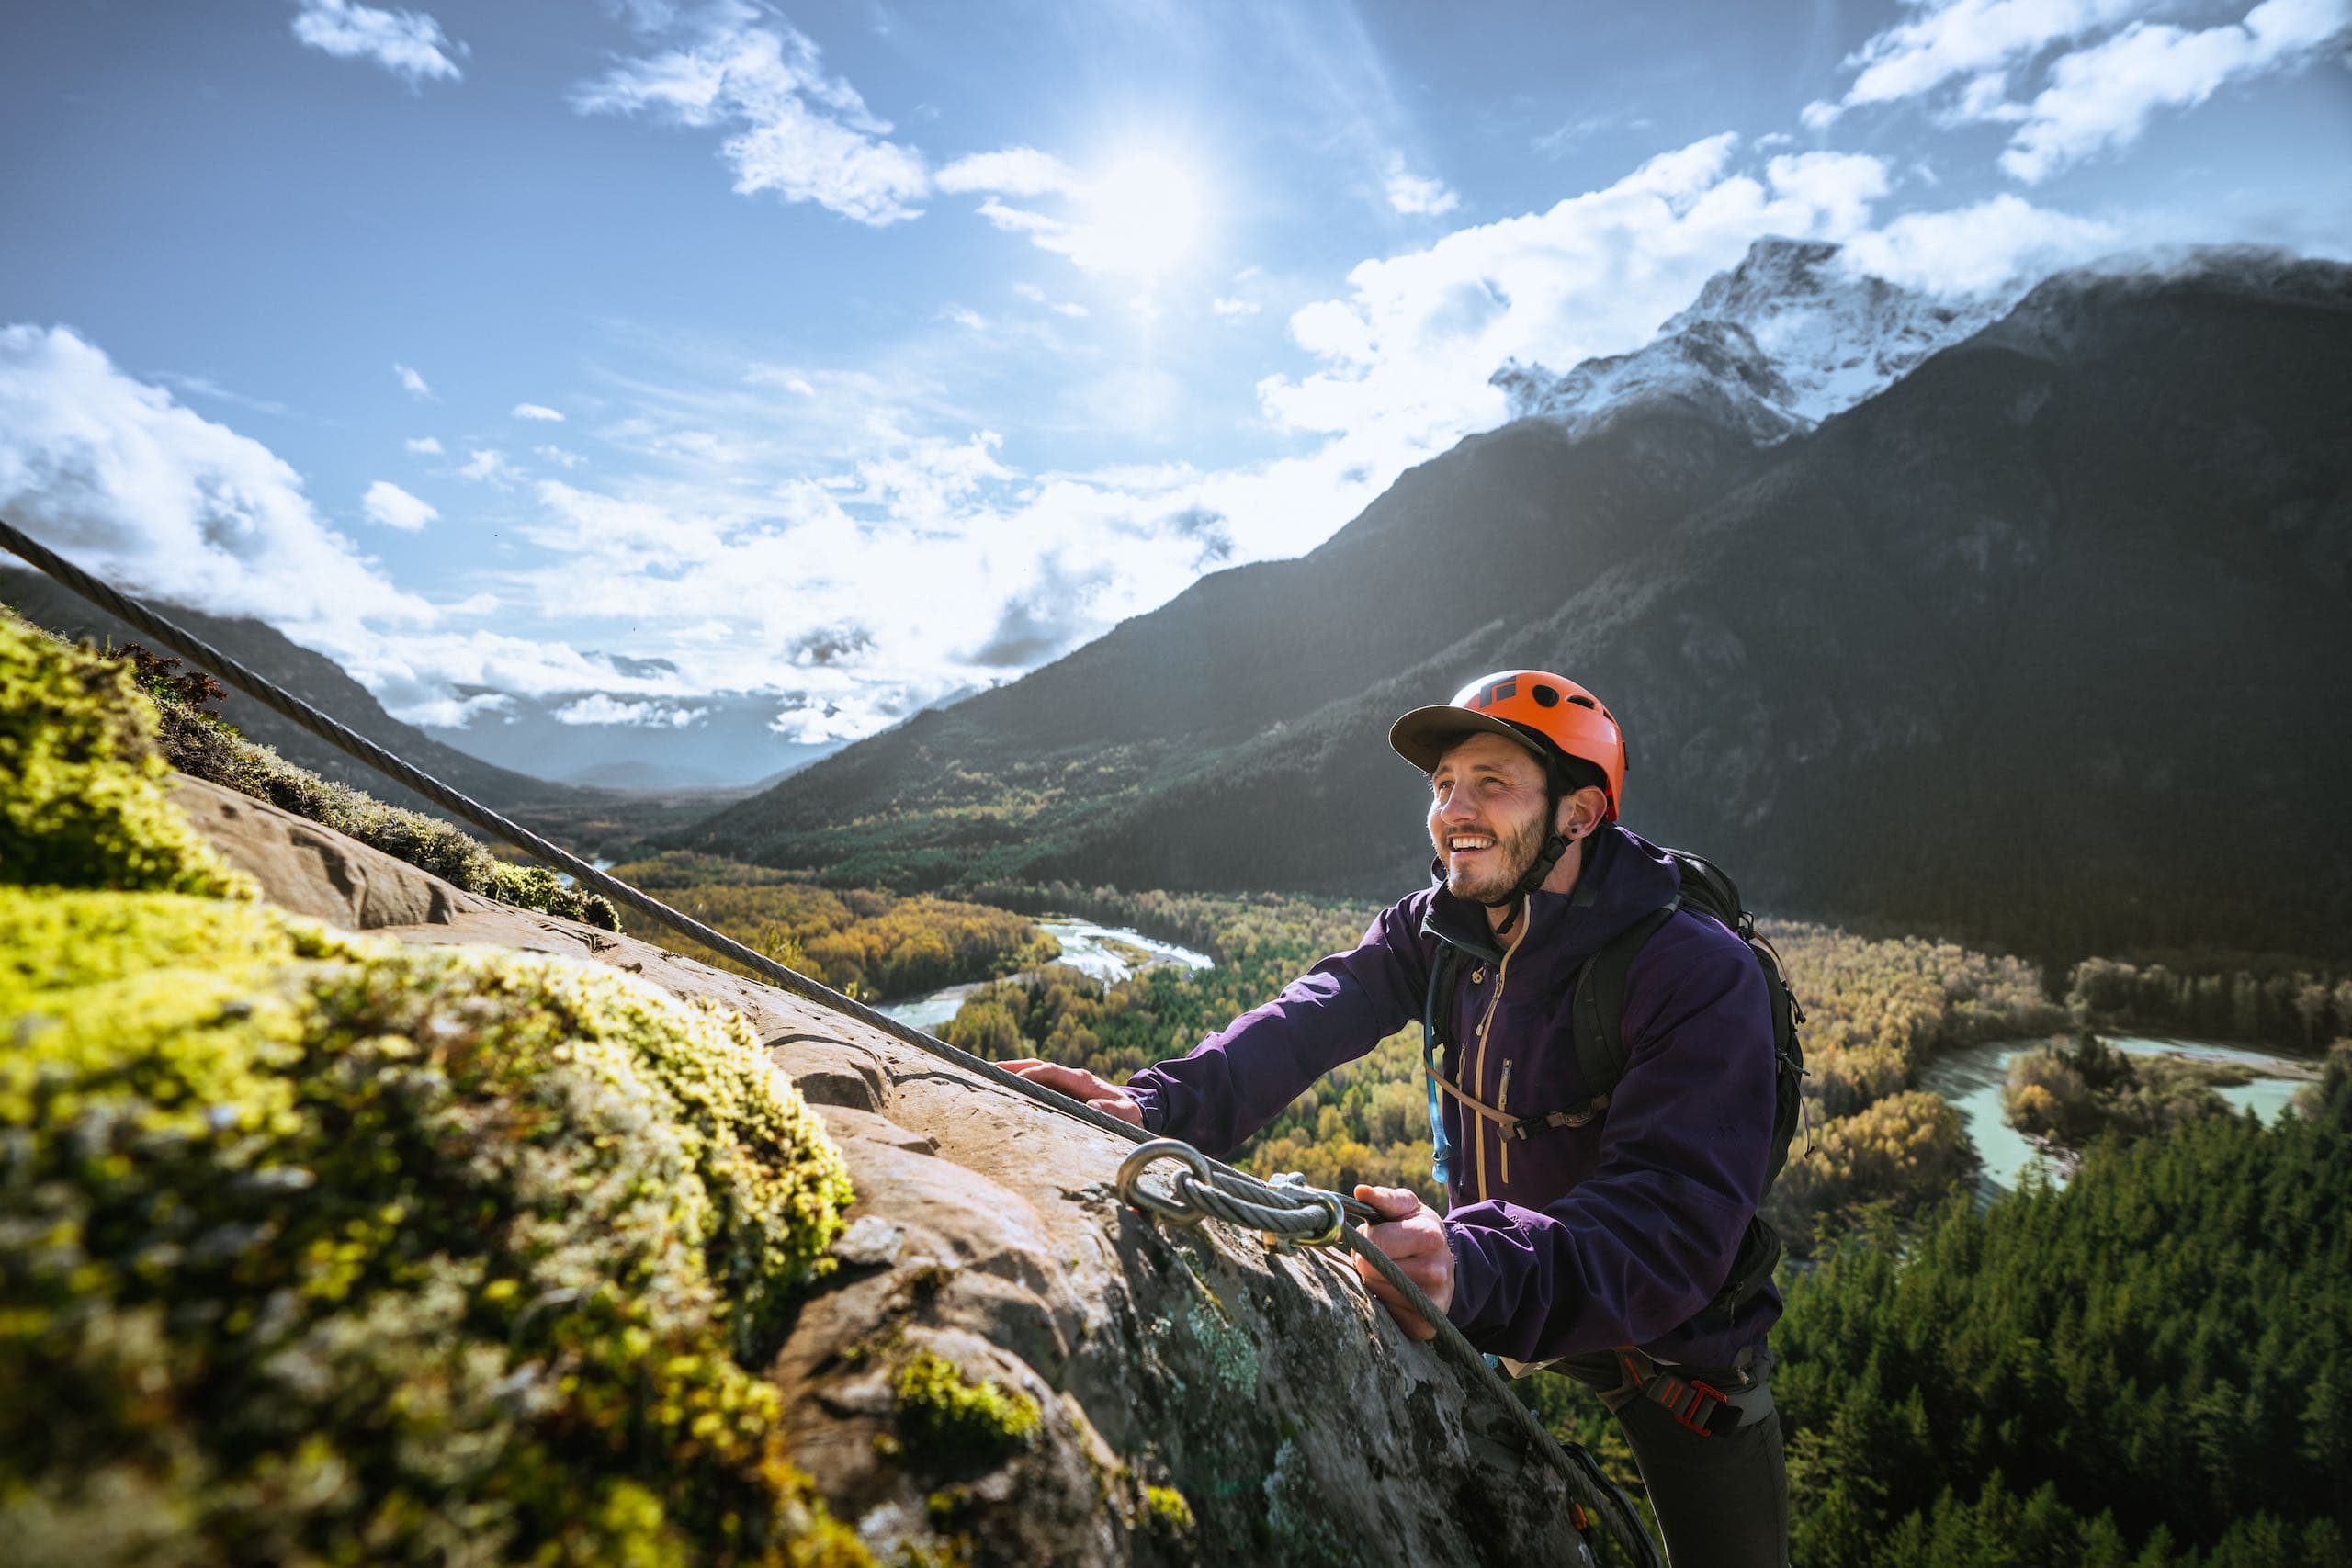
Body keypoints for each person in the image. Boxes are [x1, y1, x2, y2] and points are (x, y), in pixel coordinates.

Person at [1009, 669, 1789, 1566]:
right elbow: (1314, 1012)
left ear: (1579, 815)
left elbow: (1670, 1224)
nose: (1454, 809)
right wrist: (1152, 1106)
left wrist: (1472, 1266)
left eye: (1490, 783)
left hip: (1667, 1336)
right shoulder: (1443, 928)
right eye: (1443, 785)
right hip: (1493, 1291)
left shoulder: (1690, 969)